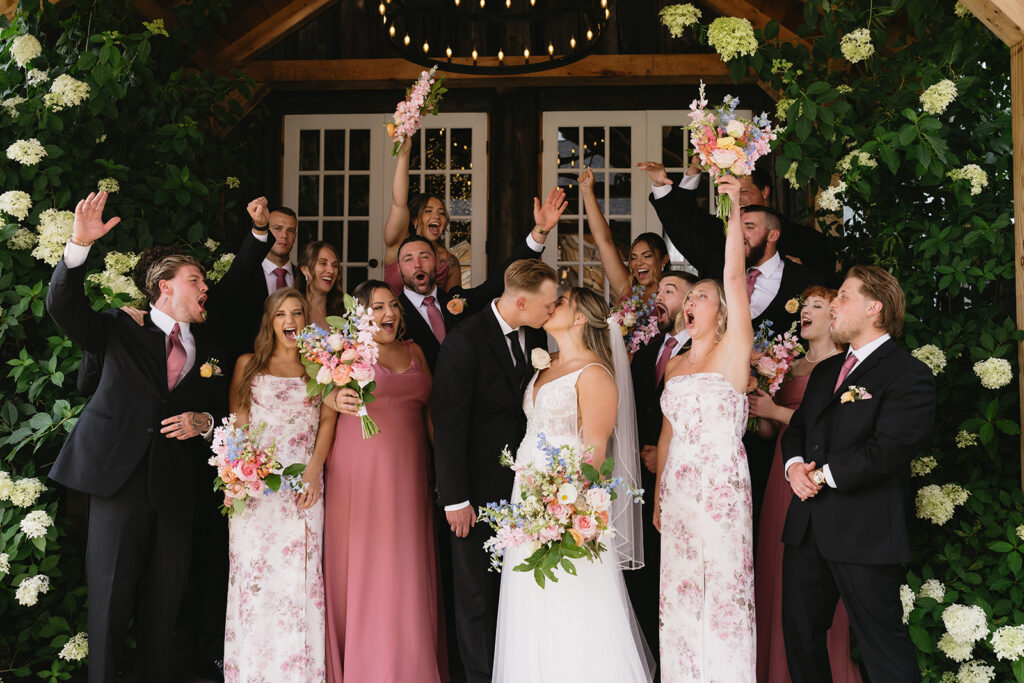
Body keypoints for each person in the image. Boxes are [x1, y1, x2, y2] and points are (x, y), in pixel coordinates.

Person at [45, 192, 227, 682]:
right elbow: (64, 307)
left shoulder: (213, 349)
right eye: (196, 279)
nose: (204, 286)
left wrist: (204, 424)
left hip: (176, 492)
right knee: (108, 603)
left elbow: (227, 413)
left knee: (163, 612)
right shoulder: (120, 327)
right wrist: (78, 246)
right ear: (164, 287)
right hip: (118, 483)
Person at [780, 266, 935, 683]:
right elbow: (797, 430)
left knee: (881, 647)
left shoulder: (908, 374)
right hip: (807, 526)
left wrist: (823, 475)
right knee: (800, 636)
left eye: (843, 296)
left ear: (874, 307)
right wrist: (794, 468)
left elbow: (888, 450)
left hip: (864, 529)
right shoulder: (826, 371)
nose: (833, 304)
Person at [493, 287, 654, 683]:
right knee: (532, 603)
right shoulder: (543, 366)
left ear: (581, 317)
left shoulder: (595, 374)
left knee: (571, 603)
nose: (551, 306)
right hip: (529, 496)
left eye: (561, 302)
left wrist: (563, 507)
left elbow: (596, 452)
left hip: (566, 502)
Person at [430, 259, 559, 683]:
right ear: (521, 302)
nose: (552, 311)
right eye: (548, 304)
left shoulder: (537, 333)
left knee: (512, 590)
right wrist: (456, 498)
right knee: (476, 596)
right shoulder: (464, 342)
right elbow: (448, 425)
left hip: (522, 487)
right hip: (475, 492)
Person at [653, 175, 756, 682]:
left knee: (722, 593)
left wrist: (733, 207)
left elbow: (734, 279)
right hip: (678, 488)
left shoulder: (733, 353)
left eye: (702, 295)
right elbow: (669, 433)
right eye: (688, 295)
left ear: (722, 310)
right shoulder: (673, 366)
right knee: (680, 593)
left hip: (719, 485)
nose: (692, 301)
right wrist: (657, 495)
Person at [322, 280, 445, 683]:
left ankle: (409, 666)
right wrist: (329, 398)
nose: (388, 313)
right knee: (364, 561)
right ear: (360, 314)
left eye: (392, 305)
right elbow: (317, 405)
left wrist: (444, 470)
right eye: (377, 307)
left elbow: (431, 416)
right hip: (359, 473)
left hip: (410, 473)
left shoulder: (416, 352)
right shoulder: (344, 354)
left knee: (407, 563)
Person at [747, 286, 862, 683]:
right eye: (805, 306)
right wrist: (757, 406)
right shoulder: (787, 363)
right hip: (782, 467)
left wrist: (776, 411)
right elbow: (766, 432)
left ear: (835, 318)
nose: (806, 312)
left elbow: (828, 428)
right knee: (776, 566)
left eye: (817, 306)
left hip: (813, 473)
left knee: (810, 575)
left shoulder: (843, 366)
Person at [223, 287, 336, 682]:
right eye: (281, 314)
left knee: (298, 583)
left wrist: (314, 471)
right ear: (270, 322)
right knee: (254, 583)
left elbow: (327, 420)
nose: (290, 321)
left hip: (303, 488)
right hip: (255, 492)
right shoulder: (248, 365)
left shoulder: (321, 369)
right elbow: (237, 424)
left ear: (307, 321)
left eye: (297, 313)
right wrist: (235, 476)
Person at [398, 187, 566, 371]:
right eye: (408, 259)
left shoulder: (455, 301)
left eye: (425, 257)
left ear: (438, 264)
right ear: (398, 268)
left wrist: (540, 231)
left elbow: (495, 284)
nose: (417, 264)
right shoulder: (391, 314)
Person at [625, 269, 697, 670]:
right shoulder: (649, 343)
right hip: (639, 473)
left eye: (670, 290)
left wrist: (665, 455)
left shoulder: (702, 350)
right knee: (645, 572)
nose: (659, 295)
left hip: (680, 474)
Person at [638, 159, 836, 280]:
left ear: (765, 191)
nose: (736, 198)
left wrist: (800, 274)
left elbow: (826, 288)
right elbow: (680, 221)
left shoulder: (808, 240)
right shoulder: (716, 233)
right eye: (730, 192)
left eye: (743, 192)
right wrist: (667, 181)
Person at [209, 196, 304, 362]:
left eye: (290, 230)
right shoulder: (245, 273)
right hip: (249, 363)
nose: (284, 235)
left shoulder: (304, 278)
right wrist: (259, 228)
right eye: (277, 228)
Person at [579, 167, 670, 304]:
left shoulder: (675, 294)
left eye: (647, 256)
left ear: (664, 260)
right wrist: (587, 193)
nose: (638, 263)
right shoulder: (628, 288)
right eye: (633, 258)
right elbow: (604, 241)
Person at [383, 137, 462, 292]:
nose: (437, 216)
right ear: (415, 219)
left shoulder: (450, 262)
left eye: (441, 213)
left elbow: (454, 305)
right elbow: (399, 203)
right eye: (428, 211)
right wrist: (404, 155)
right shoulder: (398, 244)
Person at [297, 240, 342, 328]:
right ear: (305, 269)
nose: (331, 270)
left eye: (335, 265)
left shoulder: (343, 313)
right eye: (323, 263)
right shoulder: (293, 310)